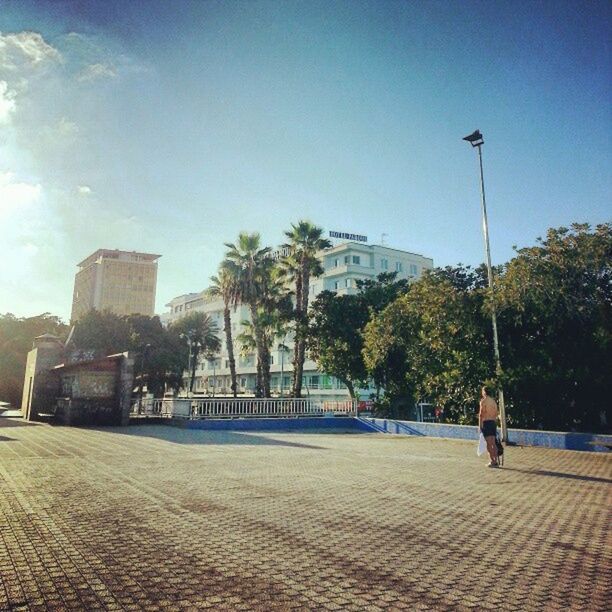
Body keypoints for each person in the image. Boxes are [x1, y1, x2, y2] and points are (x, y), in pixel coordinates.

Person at [479, 385, 499, 467]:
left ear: (484, 392)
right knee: (493, 443)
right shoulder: (493, 401)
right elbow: (496, 413)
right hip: (493, 422)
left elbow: (481, 414)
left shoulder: (483, 401)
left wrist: (480, 426)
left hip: (486, 423)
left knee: (488, 443)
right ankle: (496, 460)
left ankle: (492, 461)